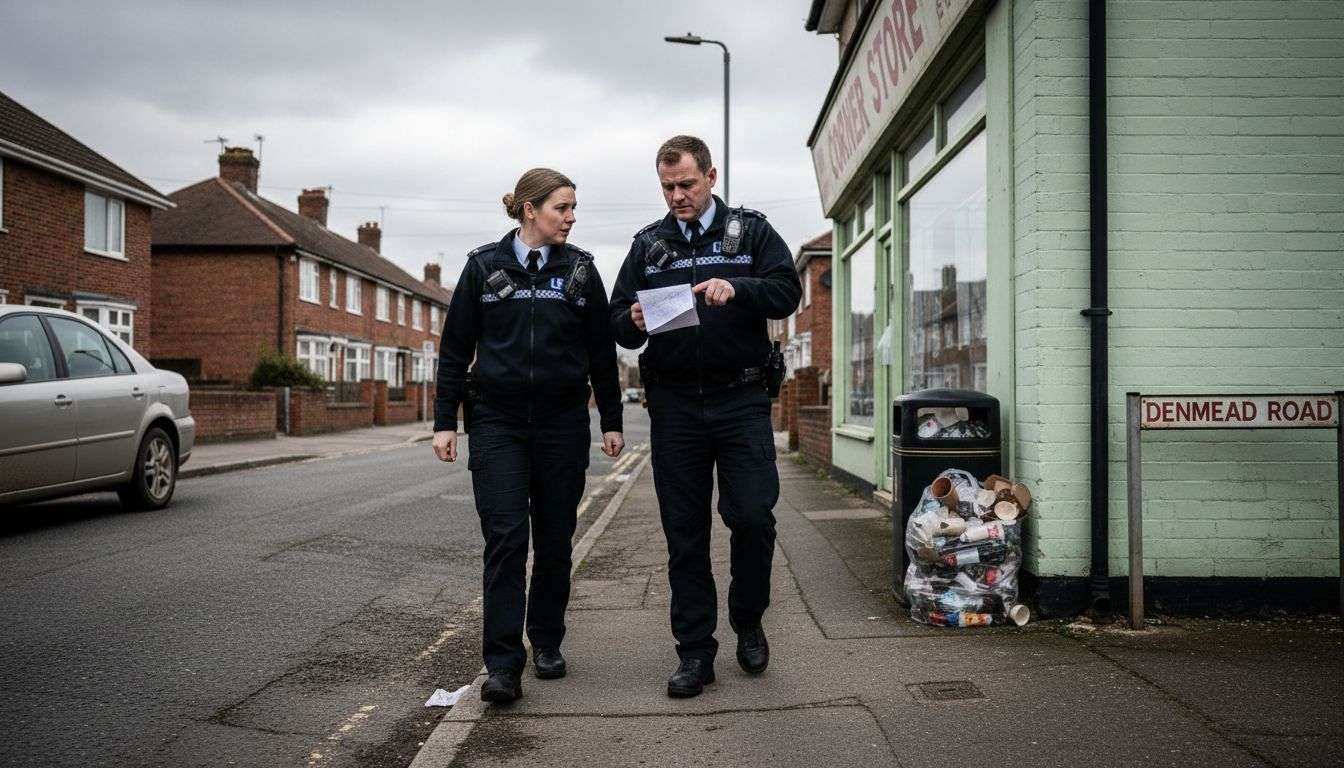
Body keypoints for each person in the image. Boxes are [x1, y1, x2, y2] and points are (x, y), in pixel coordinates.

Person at [609, 136, 801, 698]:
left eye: (686, 184)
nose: (676, 196)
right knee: (684, 534)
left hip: (741, 399)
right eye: (667, 187)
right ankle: (695, 652)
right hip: (674, 405)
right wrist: (634, 320)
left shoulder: (751, 232)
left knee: (751, 516)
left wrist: (736, 288)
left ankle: (749, 615)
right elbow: (615, 319)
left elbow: (786, 291)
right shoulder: (649, 244)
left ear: (711, 177)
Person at [433, 168, 624, 705]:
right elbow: (453, 351)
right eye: (562, 207)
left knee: (556, 540)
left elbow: (601, 354)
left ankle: (546, 640)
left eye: (573, 207)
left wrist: (611, 420)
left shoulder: (582, 271)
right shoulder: (483, 268)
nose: (571, 216)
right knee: (506, 539)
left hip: (563, 422)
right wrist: (444, 421)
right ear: (529, 210)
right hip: (496, 421)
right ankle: (502, 664)